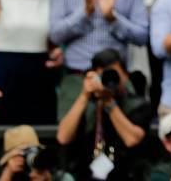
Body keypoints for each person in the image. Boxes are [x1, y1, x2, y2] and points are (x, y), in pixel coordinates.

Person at [56, 49, 152, 180]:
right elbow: (63, 137)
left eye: (115, 74)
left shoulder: (137, 104)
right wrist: (84, 95)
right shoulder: (86, 103)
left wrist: (109, 102)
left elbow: (132, 139)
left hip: (127, 174)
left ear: (125, 75)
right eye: (104, 76)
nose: (111, 80)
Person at [0, 125, 74, 181]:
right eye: (24, 155)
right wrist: (8, 174)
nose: (27, 158)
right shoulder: (9, 176)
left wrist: (48, 179)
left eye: (31, 152)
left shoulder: (61, 177)